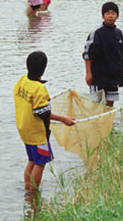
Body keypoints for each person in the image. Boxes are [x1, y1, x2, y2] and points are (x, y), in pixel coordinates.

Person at [14, 51, 76, 190]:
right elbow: (43, 114)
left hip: (24, 130)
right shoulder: (39, 89)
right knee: (40, 163)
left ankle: (28, 192)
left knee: (31, 160)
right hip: (37, 134)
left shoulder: (22, 80)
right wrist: (64, 119)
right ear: (43, 69)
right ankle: (34, 192)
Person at [83, 2, 123, 107]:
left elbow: (120, 54)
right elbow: (87, 54)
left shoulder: (118, 33)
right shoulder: (96, 33)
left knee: (110, 103)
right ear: (103, 16)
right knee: (95, 103)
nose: (110, 16)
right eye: (107, 13)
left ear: (117, 16)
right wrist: (88, 73)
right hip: (98, 74)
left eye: (113, 13)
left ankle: (108, 122)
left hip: (113, 74)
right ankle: (94, 122)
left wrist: (122, 70)